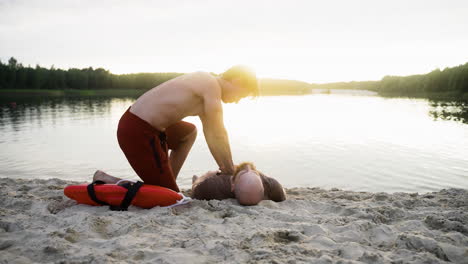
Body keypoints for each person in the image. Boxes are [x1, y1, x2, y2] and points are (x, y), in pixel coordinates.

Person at [94, 66, 258, 193]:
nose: (237, 101)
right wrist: (230, 169)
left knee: (189, 133)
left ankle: (169, 180)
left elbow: (212, 135)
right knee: (168, 196)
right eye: (241, 95)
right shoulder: (210, 85)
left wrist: (224, 167)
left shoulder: (208, 90)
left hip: (151, 128)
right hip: (138, 130)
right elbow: (219, 133)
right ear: (237, 81)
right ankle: (106, 179)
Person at [191, 162, 286, 205]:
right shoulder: (273, 186)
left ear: (233, 185)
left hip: (217, 180)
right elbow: (283, 196)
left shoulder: (213, 185)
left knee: (197, 180)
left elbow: (195, 190)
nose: (248, 168)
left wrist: (206, 175)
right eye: (254, 172)